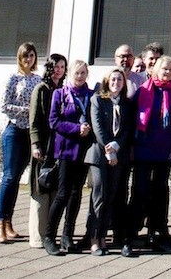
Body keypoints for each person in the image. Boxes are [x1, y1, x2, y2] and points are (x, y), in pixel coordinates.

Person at [130, 55, 171, 252]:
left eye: (170, 69)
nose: (167, 72)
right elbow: (133, 116)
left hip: (164, 149)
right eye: (164, 69)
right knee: (140, 190)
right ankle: (132, 230)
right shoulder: (144, 89)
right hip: (144, 147)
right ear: (155, 70)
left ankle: (155, 231)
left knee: (160, 192)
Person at [44, 59, 94, 256]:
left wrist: (88, 129)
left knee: (76, 194)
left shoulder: (91, 95)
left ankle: (68, 235)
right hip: (66, 150)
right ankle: (50, 237)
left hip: (84, 150)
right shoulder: (61, 94)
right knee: (63, 194)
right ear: (70, 74)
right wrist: (76, 129)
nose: (80, 76)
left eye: (83, 73)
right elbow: (54, 121)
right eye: (76, 73)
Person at [84, 67, 134, 256]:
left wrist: (117, 147)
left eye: (120, 80)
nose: (116, 83)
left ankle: (104, 236)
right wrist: (108, 148)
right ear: (107, 81)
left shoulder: (127, 104)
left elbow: (127, 130)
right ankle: (94, 238)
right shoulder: (98, 99)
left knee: (112, 196)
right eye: (113, 79)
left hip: (118, 155)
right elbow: (97, 127)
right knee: (100, 194)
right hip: (99, 155)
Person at [0, 42, 42, 244]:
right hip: (14, 131)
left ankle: (9, 222)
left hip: (29, 134)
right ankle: (0, 222)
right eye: (25, 56)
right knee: (9, 177)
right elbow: (4, 105)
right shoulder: (13, 78)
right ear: (20, 58)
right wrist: (27, 110)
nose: (28, 59)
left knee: (17, 179)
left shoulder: (38, 80)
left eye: (31, 55)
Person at [28, 53, 67, 248]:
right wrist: (35, 144)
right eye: (56, 66)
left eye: (62, 67)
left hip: (58, 147)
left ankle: (50, 234)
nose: (59, 70)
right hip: (43, 146)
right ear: (50, 68)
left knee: (53, 188)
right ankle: (37, 237)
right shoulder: (40, 89)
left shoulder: (63, 90)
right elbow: (33, 120)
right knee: (40, 189)